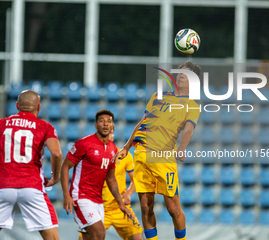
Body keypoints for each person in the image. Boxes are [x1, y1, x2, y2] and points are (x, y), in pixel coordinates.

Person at [112, 61, 202, 240]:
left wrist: (182, 148)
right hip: (141, 154)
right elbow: (142, 122)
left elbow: (189, 129)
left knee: (173, 208)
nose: (181, 75)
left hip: (163, 157)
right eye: (180, 72)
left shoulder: (192, 105)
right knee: (146, 207)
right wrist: (127, 147)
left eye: (186, 74)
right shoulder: (157, 96)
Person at [0, 90, 62, 240]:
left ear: (17, 105)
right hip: (32, 188)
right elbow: (56, 154)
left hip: (3, 188)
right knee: (52, 237)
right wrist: (55, 177)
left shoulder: (0, 124)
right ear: (38, 107)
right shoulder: (45, 127)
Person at [61, 109, 134, 240]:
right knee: (99, 234)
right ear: (96, 125)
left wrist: (121, 205)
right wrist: (66, 195)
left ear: (112, 126)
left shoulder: (112, 149)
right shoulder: (83, 143)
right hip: (81, 197)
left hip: (97, 200)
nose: (105, 124)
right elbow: (65, 167)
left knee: (89, 238)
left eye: (109, 122)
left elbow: (111, 179)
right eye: (102, 121)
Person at [78, 126, 143, 240]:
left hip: (119, 208)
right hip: (98, 209)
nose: (108, 135)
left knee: (137, 237)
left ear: (113, 136)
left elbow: (135, 180)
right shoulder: (91, 156)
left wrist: (128, 193)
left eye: (110, 133)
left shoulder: (124, 155)